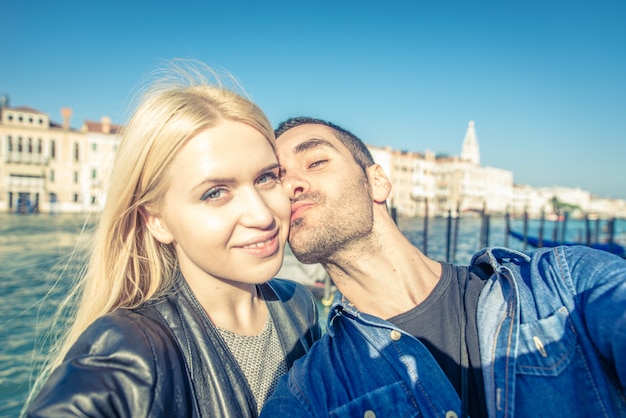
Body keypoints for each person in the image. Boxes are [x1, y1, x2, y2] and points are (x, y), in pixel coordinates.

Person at [260, 116, 626, 417]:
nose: (290, 184)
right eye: (275, 179)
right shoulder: (309, 394)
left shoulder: (563, 284)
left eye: (316, 161)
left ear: (378, 181)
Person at [25, 63, 320, 417]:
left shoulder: (298, 305)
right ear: (157, 221)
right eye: (215, 193)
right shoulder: (129, 352)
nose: (262, 215)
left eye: (266, 178)